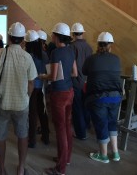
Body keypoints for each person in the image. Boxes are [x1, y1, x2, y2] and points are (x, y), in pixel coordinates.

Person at [0, 22, 37, 175]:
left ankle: (2, 170)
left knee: (0, 136)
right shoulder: (27, 57)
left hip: (2, 103)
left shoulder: (0, 53)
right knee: (22, 135)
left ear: (9, 37)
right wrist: (26, 96)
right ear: (22, 40)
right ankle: (21, 169)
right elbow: (32, 82)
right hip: (21, 104)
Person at [39, 23, 78, 175]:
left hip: (58, 94)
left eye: (53, 34)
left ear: (56, 36)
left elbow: (53, 77)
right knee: (67, 126)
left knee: (60, 129)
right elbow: (74, 73)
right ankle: (66, 158)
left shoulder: (56, 52)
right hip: (69, 91)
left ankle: (60, 169)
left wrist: (42, 76)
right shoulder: (70, 51)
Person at [82, 32, 122, 164]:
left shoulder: (91, 59)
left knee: (101, 124)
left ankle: (103, 155)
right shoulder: (117, 58)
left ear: (98, 44)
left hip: (98, 97)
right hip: (116, 97)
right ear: (110, 45)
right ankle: (115, 153)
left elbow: (84, 72)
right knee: (112, 123)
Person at [25, 30, 50, 148]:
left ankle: (32, 140)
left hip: (30, 88)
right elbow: (47, 71)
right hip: (41, 87)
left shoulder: (28, 56)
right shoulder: (44, 54)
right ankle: (46, 136)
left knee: (32, 114)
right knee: (42, 112)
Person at [70, 23, 93, 140]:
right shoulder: (89, 47)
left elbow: (70, 65)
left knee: (77, 107)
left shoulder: (72, 46)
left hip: (76, 81)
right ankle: (86, 125)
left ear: (73, 33)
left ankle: (80, 133)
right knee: (85, 105)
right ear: (83, 33)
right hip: (87, 81)